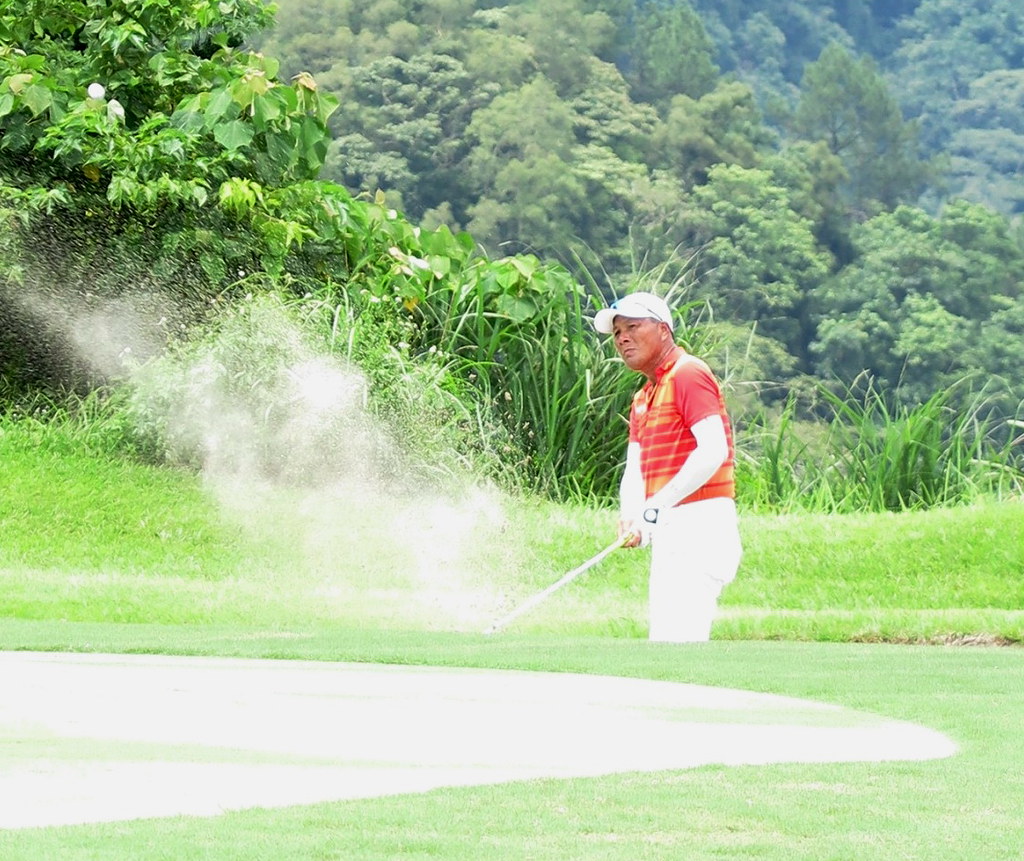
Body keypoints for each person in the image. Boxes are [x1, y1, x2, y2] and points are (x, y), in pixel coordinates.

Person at [593, 291, 742, 643]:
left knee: (680, 642)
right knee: (663, 641)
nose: (623, 338)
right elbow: (636, 467)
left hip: (701, 520)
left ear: (663, 330)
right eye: (616, 333)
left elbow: (713, 450)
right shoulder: (643, 397)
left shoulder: (688, 373)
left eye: (632, 326)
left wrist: (656, 505)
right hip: (670, 523)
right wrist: (633, 515)